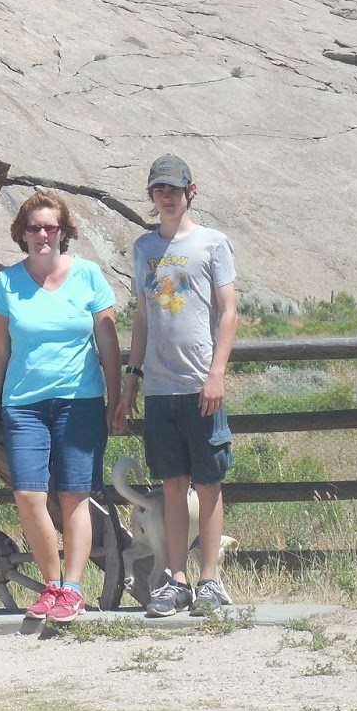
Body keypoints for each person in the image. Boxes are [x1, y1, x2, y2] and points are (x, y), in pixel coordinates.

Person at [0, 190, 121, 624]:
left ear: (63, 231)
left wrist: (116, 397)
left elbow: (107, 341)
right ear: (23, 233)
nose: (43, 235)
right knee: (29, 495)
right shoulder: (6, 284)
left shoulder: (89, 276)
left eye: (51, 227)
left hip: (80, 401)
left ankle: (73, 589)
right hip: (24, 404)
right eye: (35, 228)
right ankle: (52, 585)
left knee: (74, 496)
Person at [122, 154, 239, 617]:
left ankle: (210, 578)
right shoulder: (144, 248)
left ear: (191, 191)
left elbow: (228, 312)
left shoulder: (212, 244)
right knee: (172, 484)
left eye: (174, 189)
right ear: (151, 196)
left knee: (208, 482)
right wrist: (133, 377)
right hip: (160, 387)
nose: (166, 197)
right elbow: (143, 316)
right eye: (159, 190)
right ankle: (177, 579)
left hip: (199, 383)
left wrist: (216, 373)